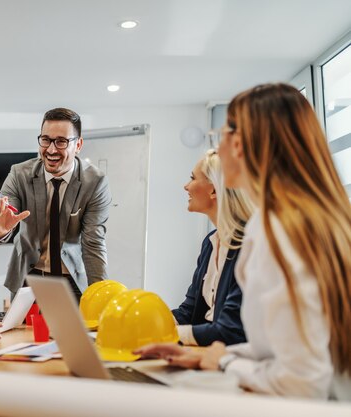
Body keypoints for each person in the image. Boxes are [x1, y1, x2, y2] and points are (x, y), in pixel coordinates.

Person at [136, 83, 351, 401]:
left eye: (223, 135)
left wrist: (224, 362)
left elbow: (301, 382)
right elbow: (286, 347)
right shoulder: (315, 220)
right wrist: (208, 357)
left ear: (247, 144)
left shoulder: (277, 231)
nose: (219, 149)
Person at [0, 107, 111, 300]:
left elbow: (93, 243)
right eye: (46, 140)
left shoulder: (95, 182)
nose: (51, 150)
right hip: (28, 277)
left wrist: (101, 294)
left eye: (61, 142)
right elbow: (2, 222)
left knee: (75, 331)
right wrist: (1, 231)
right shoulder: (19, 174)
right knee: (23, 331)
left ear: (78, 144)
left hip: (72, 280)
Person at [172, 149, 253, 346]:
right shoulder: (210, 242)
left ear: (214, 190)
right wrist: (140, 322)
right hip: (205, 352)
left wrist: (168, 335)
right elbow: (188, 312)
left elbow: (230, 331)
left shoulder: (249, 245)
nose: (186, 186)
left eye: (192, 178)